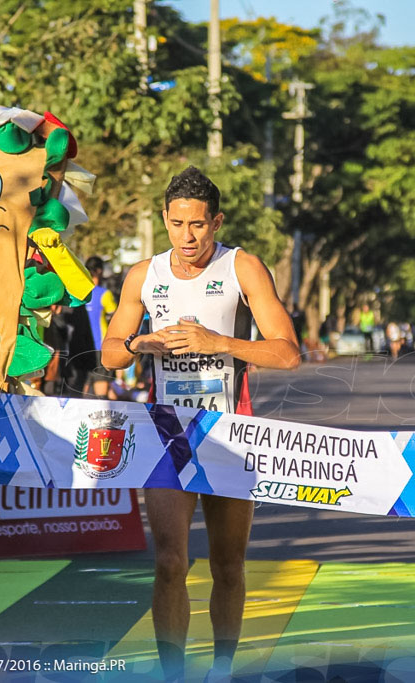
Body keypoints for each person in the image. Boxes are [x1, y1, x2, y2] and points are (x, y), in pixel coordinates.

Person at [100, 167, 300, 681]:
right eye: (176, 224)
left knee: (227, 566)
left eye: (197, 226)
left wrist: (221, 344)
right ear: (163, 220)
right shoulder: (144, 275)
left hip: (230, 433)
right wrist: (141, 343)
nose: (186, 237)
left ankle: (222, 669)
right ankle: (173, 674)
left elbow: (288, 354)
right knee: (169, 562)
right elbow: (110, 354)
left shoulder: (243, 268)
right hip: (166, 432)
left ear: (216, 223)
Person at [84, 256, 119, 398]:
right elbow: (116, 318)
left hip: (80, 347)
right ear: (99, 271)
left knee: (83, 389)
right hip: (100, 346)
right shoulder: (105, 294)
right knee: (101, 392)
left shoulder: (77, 295)